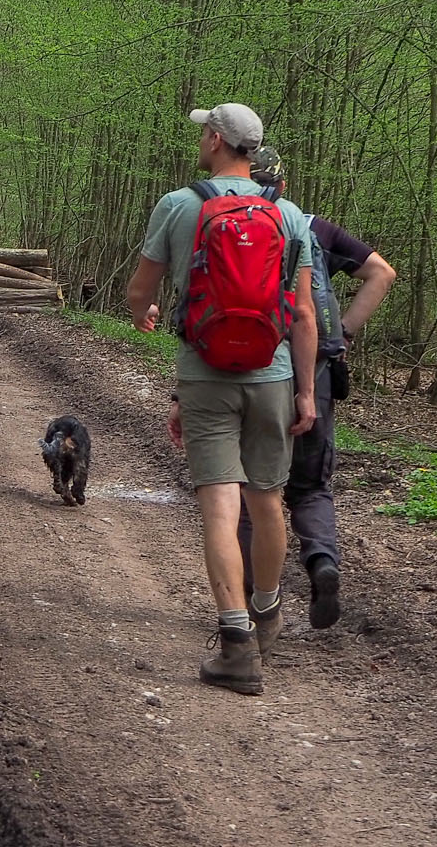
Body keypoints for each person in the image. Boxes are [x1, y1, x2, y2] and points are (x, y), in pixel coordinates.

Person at [126, 103, 317, 695]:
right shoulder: (288, 215)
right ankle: (266, 614)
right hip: (273, 373)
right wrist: (306, 392)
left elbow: (141, 291)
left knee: (219, 507)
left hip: (205, 376)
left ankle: (235, 644)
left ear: (214, 140)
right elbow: (305, 312)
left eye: (203, 133)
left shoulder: (179, 206)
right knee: (268, 502)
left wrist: (146, 315)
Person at [237, 147, 396, 631]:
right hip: (318, 373)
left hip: (255, 368)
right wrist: (343, 334)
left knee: (254, 487)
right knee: (310, 485)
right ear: (283, 185)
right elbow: (381, 273)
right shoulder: (315, 229)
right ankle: (322, 561)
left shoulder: (231, 224)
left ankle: (250, 602)